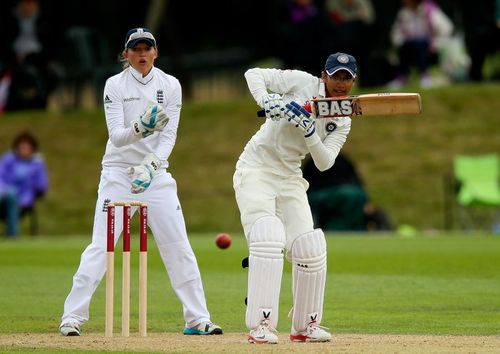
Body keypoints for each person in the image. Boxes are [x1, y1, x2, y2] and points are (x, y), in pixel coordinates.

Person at [59, 28, 222, 337]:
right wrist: (140, 127)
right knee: (101, 247)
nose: (142, 53)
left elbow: (169, 135)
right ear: (127, 54)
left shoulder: (170, 85)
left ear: (156, 53)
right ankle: (72, 317)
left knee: (178, 247)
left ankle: (198, 319)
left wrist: (151, 165)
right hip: (118, 172)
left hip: (155, 175)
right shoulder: (114, 85)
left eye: (148, 48)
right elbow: (117, 137)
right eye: (136, 49)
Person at [234, 52, 358, 344]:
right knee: (268, 235)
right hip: (257, 169)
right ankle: (261, 325)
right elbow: (253, 73)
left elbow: (324, 162)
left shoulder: (342, 116)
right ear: (323, 75)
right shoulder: (301, 82)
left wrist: (310, 130)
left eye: (346, 78)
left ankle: (305, 326)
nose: (340, 83)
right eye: (335, 76)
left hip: (290, 177)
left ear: (353, 81)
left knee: (309, 246)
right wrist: (266, 100)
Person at [302, 152, 392, 231]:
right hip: (321, 196)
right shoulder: (312, 163)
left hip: (346, 195)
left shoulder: (343, 161)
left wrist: (367, 203)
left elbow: (357, 183)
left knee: (355, 196)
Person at [0, 0, 61, 111]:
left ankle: (40, 102)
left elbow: (51, 44)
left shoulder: (43, 20)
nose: (29, 6)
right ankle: (14, 105)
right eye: (26, 3)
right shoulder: (9, 21)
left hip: (38, 59)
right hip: (14, 60)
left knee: (54, 73)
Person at [387, 0, 454, 89]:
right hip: (409, 49)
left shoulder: (430, 10)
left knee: (420, 43)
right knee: (410, 44)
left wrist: (436, 44)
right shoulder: (403, 13)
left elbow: (447, 28)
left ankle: (424, 76)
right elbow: (396, 33)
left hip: (429, 49)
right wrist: (400, 43)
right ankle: (402, 77)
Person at [0, 131, 48, 237]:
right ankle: (12, 234)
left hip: (23, 200)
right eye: (22, 147)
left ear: (32, 149)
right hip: (3, 197)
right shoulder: (8, 159)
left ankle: (12, 234)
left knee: (12, 196)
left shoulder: (37, 164)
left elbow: (42, 185)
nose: (24, 150)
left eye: (27, 148)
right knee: (10, 194)